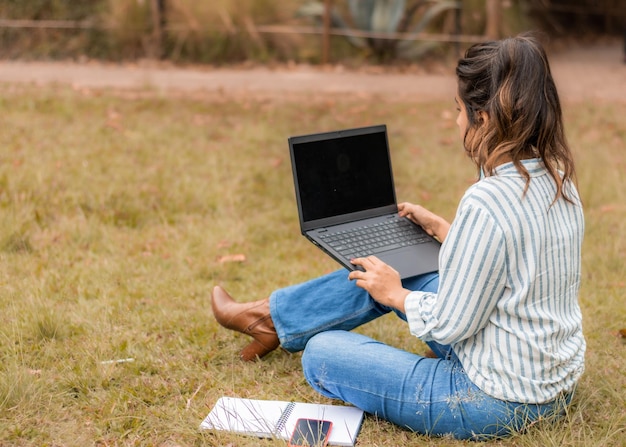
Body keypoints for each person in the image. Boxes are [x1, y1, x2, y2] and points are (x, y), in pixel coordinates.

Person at [210, 33, 585, 440]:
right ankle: (271, 318)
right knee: (408, 264)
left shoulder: (487, 201)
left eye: (458, 110)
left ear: (485, 119)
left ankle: (275, 321)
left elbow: (451, 325)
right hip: (553, 381)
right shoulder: (559, 176)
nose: (456, 121)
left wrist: (394, 294)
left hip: (493, 399)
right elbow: (515, 261)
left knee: (323, 353)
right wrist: (448, 232)